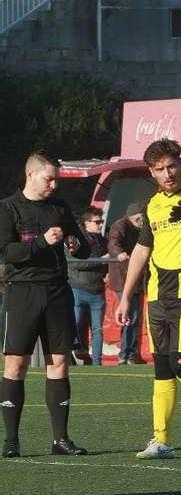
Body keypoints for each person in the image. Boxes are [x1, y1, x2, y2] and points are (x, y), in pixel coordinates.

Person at [113, 139, 181, 460]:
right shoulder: (152, 205)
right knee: (163, 369)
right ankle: (161, 440)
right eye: (160, 169)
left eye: (172, 166)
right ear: (151, 173)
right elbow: (142, 251)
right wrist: (126, 296)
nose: (167, 173)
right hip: (157, 296)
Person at [0, 151, 91, 458]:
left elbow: (84, 247)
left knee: (59, 363)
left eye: (56, 179)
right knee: (16, 365)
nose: (54, 184)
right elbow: (6, 252)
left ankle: (60, 439)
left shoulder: (60, 207)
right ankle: (11, 440)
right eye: (48, 178)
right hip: (22, 292)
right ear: (30, 175)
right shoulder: (8, 208)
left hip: (57, 292)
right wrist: (41, 241)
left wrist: (77, 245)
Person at [67, 206, 109, 366]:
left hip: (97, 290)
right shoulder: (76, 239)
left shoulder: (102, 240)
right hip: (78, 288)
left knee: (98, 329)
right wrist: (101, 260)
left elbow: (105, 261)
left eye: (102, 221)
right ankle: (72, 355)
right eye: (97, 222)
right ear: (86, 223)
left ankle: (97, 363)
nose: (100, 225)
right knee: (75, 326)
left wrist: (107, 272)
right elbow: (76, 263)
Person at [108, 202, 144, 364]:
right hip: (123, 279)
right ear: (133, 216)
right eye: (140, 218)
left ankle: (130, 353)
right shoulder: (120, 225)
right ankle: (126, 354)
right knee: (130, 316)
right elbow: (113, 242)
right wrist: (118, 253)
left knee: (134, 316)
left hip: (134, 278)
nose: (143, 221)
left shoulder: (139, 228)